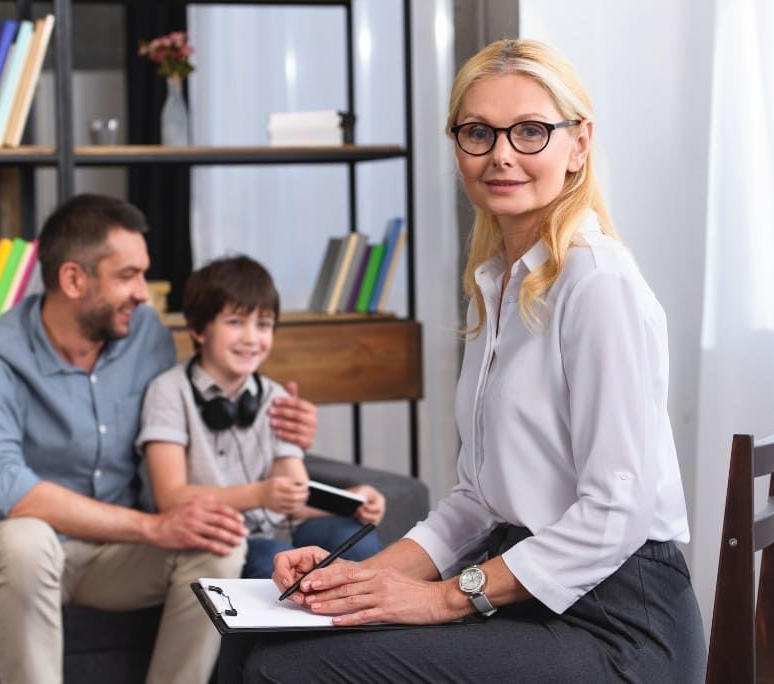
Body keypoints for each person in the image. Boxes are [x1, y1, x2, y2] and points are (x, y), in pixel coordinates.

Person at [232, 39, 706, 683]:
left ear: (579, 145)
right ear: (457, 145)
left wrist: (439, 599)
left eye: (531, 131)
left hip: (618, 623)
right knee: (264, 643)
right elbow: (479, 503)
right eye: (479, 132)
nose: (502, 154)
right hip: (526, 592)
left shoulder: (596, 284)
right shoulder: (500, 284)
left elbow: (613, 514)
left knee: (285, 672)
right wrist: (353, 579)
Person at [0, 194, 319, 684]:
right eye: (128, 276)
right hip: (1, 552)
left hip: (110, 558)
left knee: (219, 542)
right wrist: (152, 528)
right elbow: (8, 487)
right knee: (28, 541)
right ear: (74, 279)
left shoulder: (144, 334)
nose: (144, 293)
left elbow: (191, 424)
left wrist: (287, 431)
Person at [136, 254, 385, 580]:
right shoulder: (169, 391)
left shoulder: (275, 397)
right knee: (269, 559)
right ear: (198, 329)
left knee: (354, 538)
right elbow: (170, 497)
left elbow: (294, 498)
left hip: (276, 532)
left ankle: (364, 626)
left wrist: (356, 500)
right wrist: (259, 494)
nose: (252, 338)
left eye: (263, 324)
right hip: (213, 541)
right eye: (236, 322)